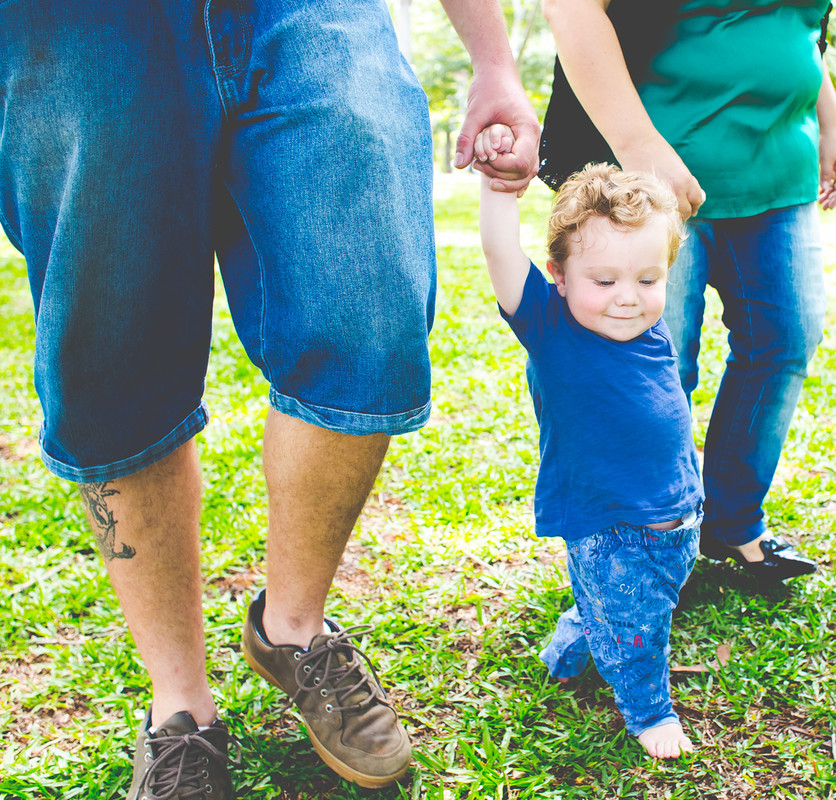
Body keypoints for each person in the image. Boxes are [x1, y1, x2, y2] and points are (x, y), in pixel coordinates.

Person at [0, 2, 538, 797]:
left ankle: (293, 632)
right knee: (110, 360)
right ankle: (180, 712)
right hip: (75, 28)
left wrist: (493, 59)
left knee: (370, 320)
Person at [543, 0, 836, 582]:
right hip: (657, 175)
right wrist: (638, 147)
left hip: (781, 170)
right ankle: (642, 547)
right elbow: (571, 9)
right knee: (649, 366)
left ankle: (733, 525)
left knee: (784, 343)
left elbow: (797, 26)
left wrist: (829, 120)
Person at [475, 128, 702, 758]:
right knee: (635, 630)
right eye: (603, 281)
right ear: (560, 277)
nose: (628, 297)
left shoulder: (647, 327)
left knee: (636, 604)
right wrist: (499, 188)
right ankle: (648, 710)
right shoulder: (551, 326)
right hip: (610, 523)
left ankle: (574, 643)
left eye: (648, 279)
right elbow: (499, 250)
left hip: (677, 515)